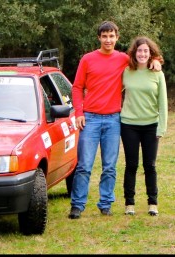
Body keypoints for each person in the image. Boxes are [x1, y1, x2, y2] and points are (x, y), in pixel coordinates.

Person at [68, 21, 162, 219]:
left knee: (109, 166)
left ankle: (105, 204)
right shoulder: (87, 59)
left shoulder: (123, 59)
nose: (108, 40)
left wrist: (156, 60)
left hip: (113, 119)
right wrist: (79, 112)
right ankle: (77, 205)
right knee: (84, 165)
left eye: (111, 36)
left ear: (117, 38)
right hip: (90, 118)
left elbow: (143, 58)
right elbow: (77, 88)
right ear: (99, 38)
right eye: (104, 36)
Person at [121, 36, 168, 216]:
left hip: (151, 126)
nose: (142, 54)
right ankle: (129, 203)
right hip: (129, 125)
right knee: (131, 165)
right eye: (139, 50)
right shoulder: (126, 71)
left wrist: (161, 128)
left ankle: (152, 203)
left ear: (151, 54)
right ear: (134, 53)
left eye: (146, 51)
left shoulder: (158, 74)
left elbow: (163, 104)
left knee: (150, 165)